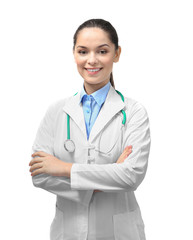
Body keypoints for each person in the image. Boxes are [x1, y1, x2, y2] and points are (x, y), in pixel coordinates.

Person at [29, 19, 151, 240]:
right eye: (83, 51)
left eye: (102, 51)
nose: (92, 60)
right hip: (68, 231)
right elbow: (39, 175)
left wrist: (64, 168)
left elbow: (131, 176)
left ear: (116, 54)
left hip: (118, 232)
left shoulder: (133, 112)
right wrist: (107, 176)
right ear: (74, 54)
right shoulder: (56, 111)